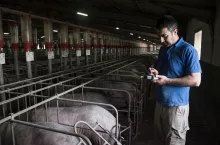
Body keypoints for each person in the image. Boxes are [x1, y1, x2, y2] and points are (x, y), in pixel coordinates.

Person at [148, 15, 202, 145]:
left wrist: (167, 81)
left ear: (175, 32)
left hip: (177, 107)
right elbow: (163, 71)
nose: (161, 40)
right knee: (159, 140)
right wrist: (155, 73)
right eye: (159, 36)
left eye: (164, 36)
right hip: (160, 103)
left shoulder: (188, 50)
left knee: (174, 141)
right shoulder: (163, 49)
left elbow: (196, 80)